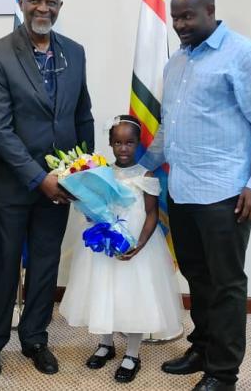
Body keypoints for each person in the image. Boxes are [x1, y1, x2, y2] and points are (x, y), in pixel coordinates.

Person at [141, 0, 251, 391]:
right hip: (183, 191)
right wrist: (138, 166)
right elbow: (168, 130)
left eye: (188, 15)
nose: (179, 24)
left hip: (227, 196)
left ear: (211, 11)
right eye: (175, 17)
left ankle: (224, 374)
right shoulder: (176, 64)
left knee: (225, 284)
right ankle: (202, 348)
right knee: (197, 276)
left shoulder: (244, 56)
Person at [0, 0, 94, 379]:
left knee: (45, 264)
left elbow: (83, 114)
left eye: (52, 2)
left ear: (61, 6)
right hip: (11, 184)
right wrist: (37, 177)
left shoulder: (75, 52)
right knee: (4, 265)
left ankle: (35, 339)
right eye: (35, 0)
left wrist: (82, 173)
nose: (43, 8)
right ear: (21, 2)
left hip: (59, 185)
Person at [59, 115, 183, 383]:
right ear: (110, 143)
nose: (123, 148)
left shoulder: (146, 175)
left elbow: (151, 214)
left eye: (129, 142)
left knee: (134, 296)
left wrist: (139, 245)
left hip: (136, 246)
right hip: (104, 246)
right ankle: (106, 344)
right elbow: (94, 206)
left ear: (138, 144)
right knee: (103, 290)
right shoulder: (101, 172)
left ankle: (132, 353)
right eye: (117, 142)